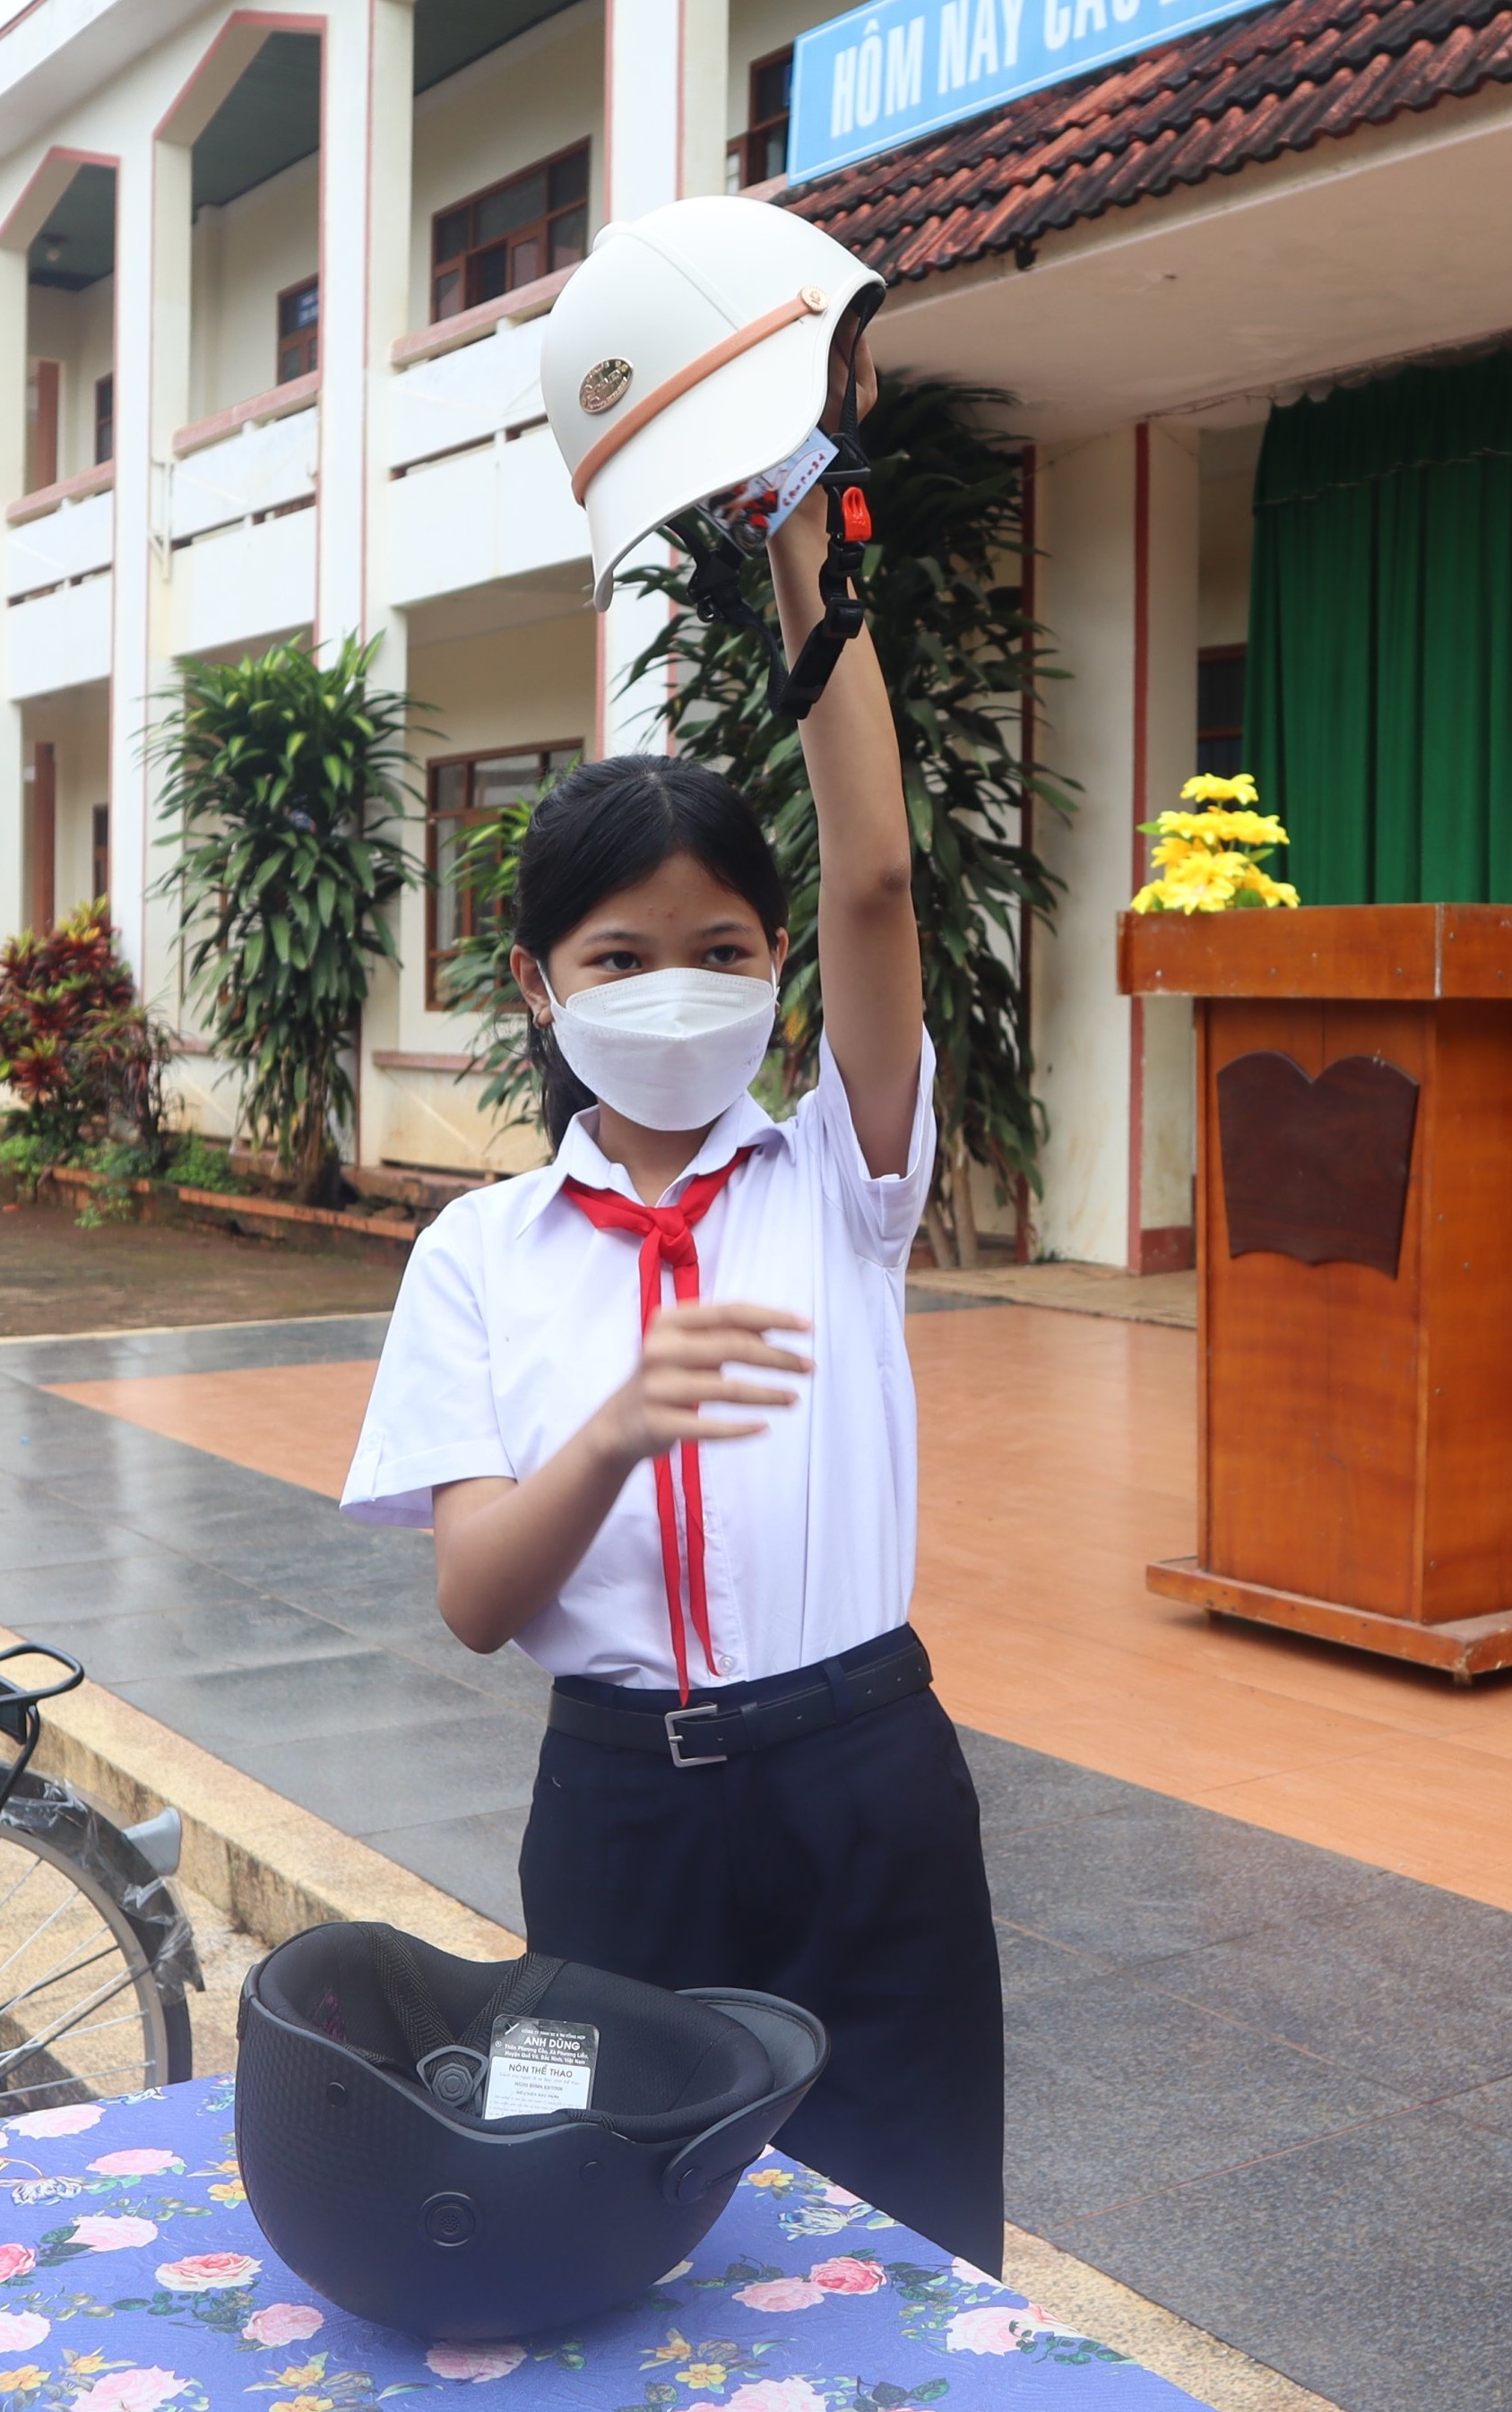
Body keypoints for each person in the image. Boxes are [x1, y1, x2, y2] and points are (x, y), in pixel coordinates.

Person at [339, 345, 1002, 2270]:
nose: (677, 986)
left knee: (914, 2232)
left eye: (723, 948)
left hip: (869, 1784)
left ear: (778, 965)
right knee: (611, 2246)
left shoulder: (838, 1180)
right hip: (623, 1809)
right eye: (622, 953)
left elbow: (878, 872)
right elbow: (478, 1601)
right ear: (545, 990)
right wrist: (619, 1420)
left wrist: (804, 536)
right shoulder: (479, 1254)